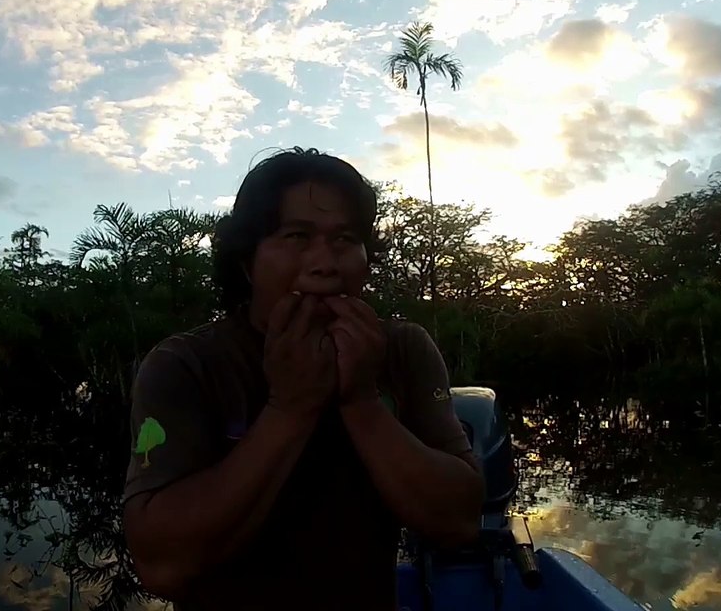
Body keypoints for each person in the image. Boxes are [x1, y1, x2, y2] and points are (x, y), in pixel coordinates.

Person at [122, 148, 484, 611]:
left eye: (345, 239)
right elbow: (161, 565)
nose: (325, 264)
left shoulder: (403, 350)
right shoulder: (186, 365)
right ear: (246, 262)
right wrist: (289, 408)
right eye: (296, 236)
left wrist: (361, 399)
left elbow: (459, 522)